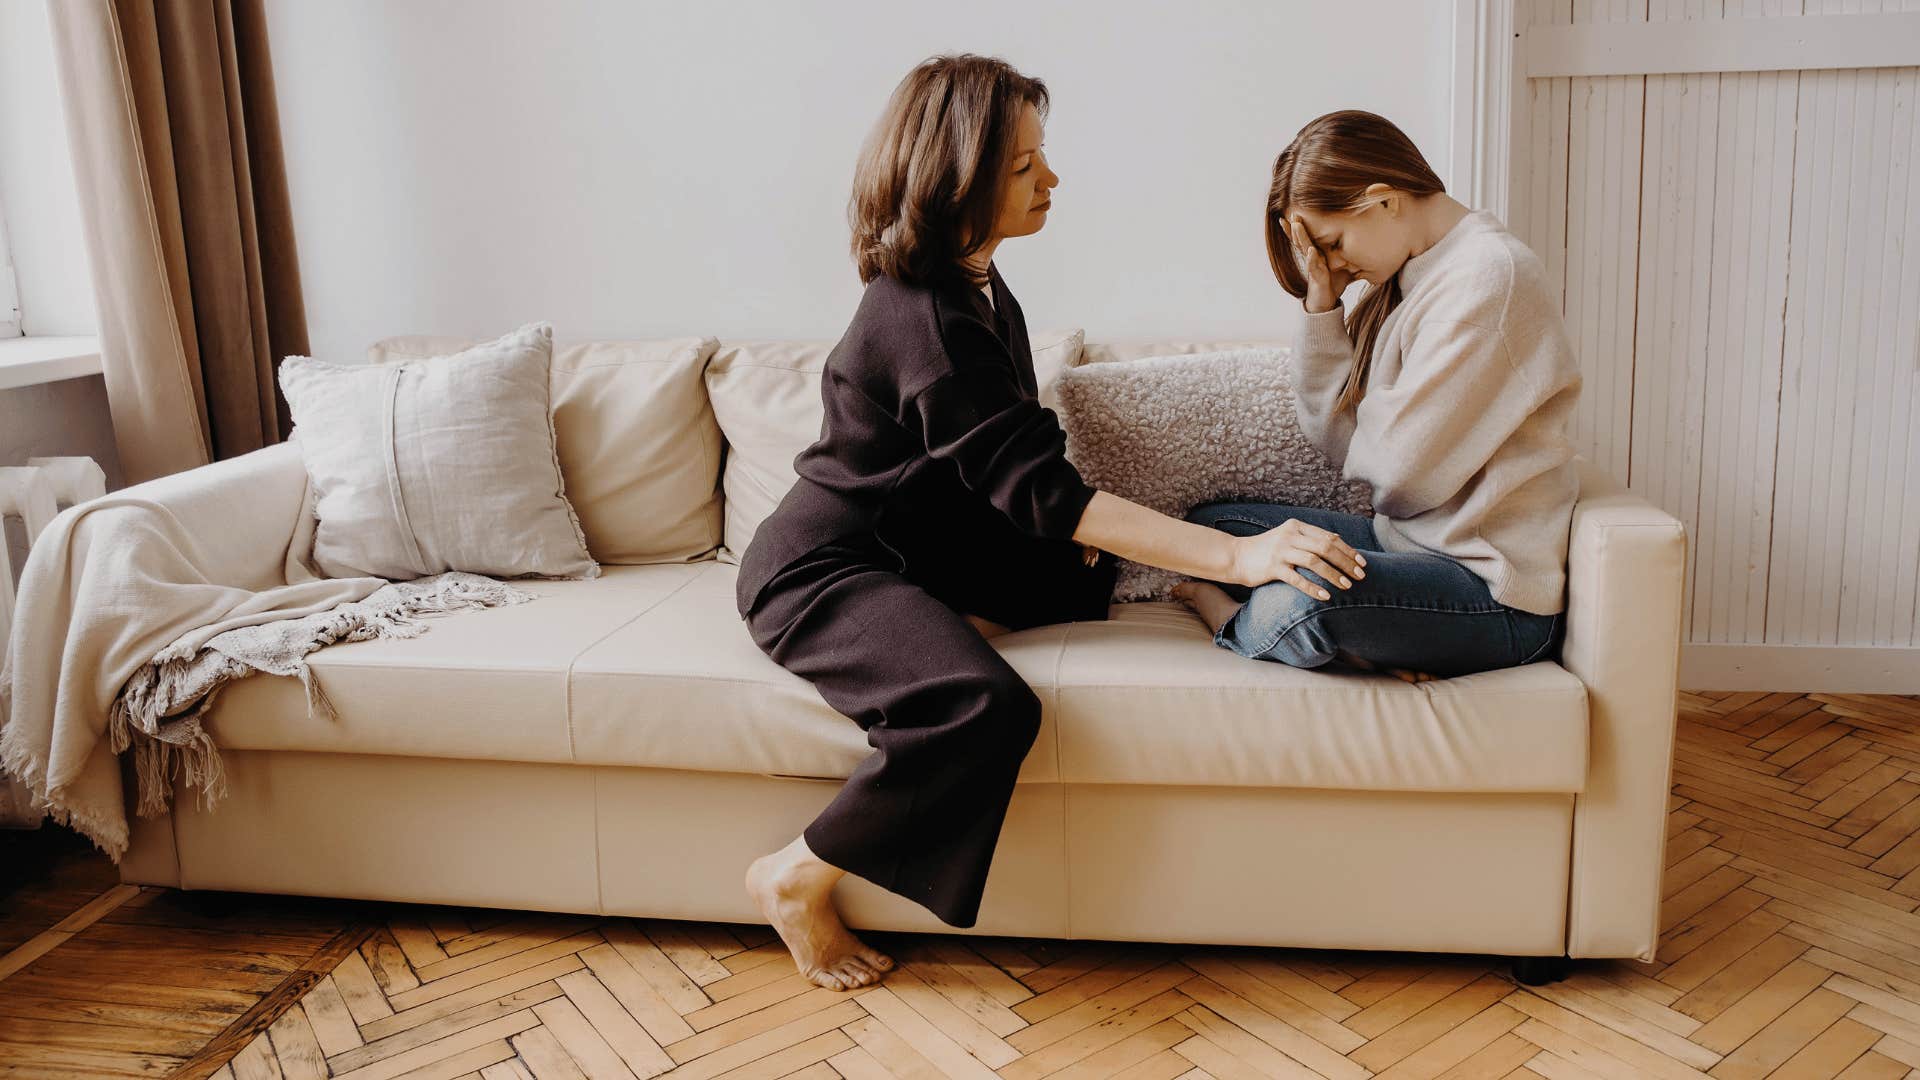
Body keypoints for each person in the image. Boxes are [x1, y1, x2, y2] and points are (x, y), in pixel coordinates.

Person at [735, 55, 1370, 992]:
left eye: (1043, 157)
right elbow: (1049, 494)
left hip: (925, 549)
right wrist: (1243, 549)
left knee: (1078, 569)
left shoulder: (982, 286)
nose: (1052, 178)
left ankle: (1206, 594)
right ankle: (793, 876)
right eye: (1028, 165)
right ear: (962, 172)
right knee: (985, 708)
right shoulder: (924, 317)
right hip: (831, 569)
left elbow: (1011, 467)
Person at [1172, 110, 1583, 685]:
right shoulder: (1413, 275)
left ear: (1384, 199)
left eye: (1333, 243)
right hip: (1407, 547)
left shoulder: (1489, 277)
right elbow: (1340, 440)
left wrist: (1376, 437)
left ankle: (1233, 619)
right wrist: (1322, 302)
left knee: (1308, 602)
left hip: (1490, 591)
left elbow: (1399, 473)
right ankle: (1373, 638)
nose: (1337, 264)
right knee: (1211, 529)